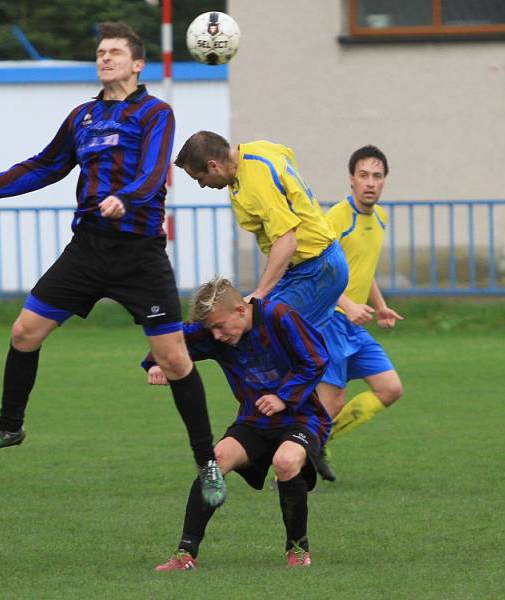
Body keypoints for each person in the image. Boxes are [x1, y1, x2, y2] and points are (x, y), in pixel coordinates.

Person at [0, 22, 225, 508]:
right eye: (100, 52)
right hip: (88, 249)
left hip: (139, 254)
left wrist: (125, 198)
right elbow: (44, 166)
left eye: (115, 52)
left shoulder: (156, 113)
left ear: (137, 64)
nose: (105, 58)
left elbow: (155, 173)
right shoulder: (83, 117)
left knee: (175, 360)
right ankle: (10, 426)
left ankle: (207, 461)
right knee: (23, 333)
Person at [174, 131, 347, 480]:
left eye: (200, 178)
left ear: (213, 164)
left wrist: (261, 293)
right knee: (290, 350)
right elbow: (290, 160)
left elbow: (287, 239)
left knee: (255, 333)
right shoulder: (259, 151)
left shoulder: (255, 183)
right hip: (316, 266)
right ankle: (296, 441)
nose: (202, 186)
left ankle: (294, 442)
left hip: (313, 269)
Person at [144, 277, 331, 569]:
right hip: (254, 421)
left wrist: (283, 397)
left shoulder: (279, 316)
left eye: (220, 326)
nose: (216, 336)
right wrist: (157, 363)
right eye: (211, 330)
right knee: (214, 462)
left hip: (302, 417)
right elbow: (174, 341)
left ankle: (297, 548)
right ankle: (185, 553)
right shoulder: (213, 332)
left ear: (241, 311)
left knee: (285, 461)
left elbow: (317, 359)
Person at [319, 145, 404, 479]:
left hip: (354, 324)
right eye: (364, 175)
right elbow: (318, 272)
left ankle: (314, 443)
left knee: (390, 389)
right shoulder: (336, 218)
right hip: (329, 320)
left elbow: (361, 270)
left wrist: (380, 306)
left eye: (377, 176)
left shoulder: (380, 218)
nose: (370, 182)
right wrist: (347, 303)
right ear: (351, 179)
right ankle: (289, 466)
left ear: (384, 181)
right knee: (332, 402)